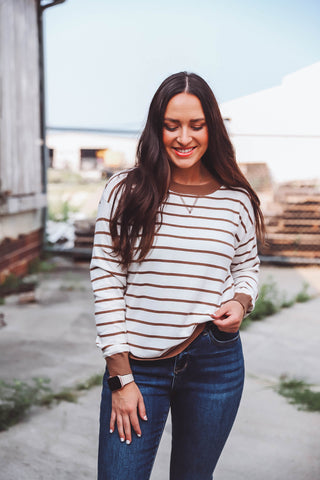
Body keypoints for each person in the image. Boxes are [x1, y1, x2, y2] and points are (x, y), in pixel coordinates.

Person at [90, 71, 264, 480]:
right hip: (138, 368)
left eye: (196, 125)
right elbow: (106, 280)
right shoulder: (124, 191)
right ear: (157, 129)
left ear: (212, 128)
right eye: (172, 126)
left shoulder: (235, 199)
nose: (184, 138)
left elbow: (246, 267)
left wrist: (241, 302)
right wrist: (121, 378)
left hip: (215, 364)